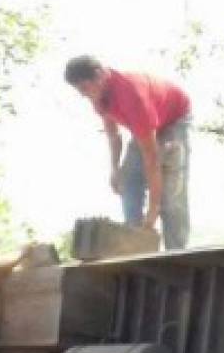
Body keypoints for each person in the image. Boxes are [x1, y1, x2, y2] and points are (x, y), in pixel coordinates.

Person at [64, 55, 192, 250]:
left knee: (170, 197)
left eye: (83, 88)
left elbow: (151, 158)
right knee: (128, 178)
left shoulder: (132, 95)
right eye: (78, 90)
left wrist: (153, 208)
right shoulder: (98, 96)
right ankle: (135, 238)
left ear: (99, 75)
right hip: (146, 125)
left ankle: (177, 251)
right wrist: (115, 169)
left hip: (174, 119)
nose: (83, 95)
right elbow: (113, 136)